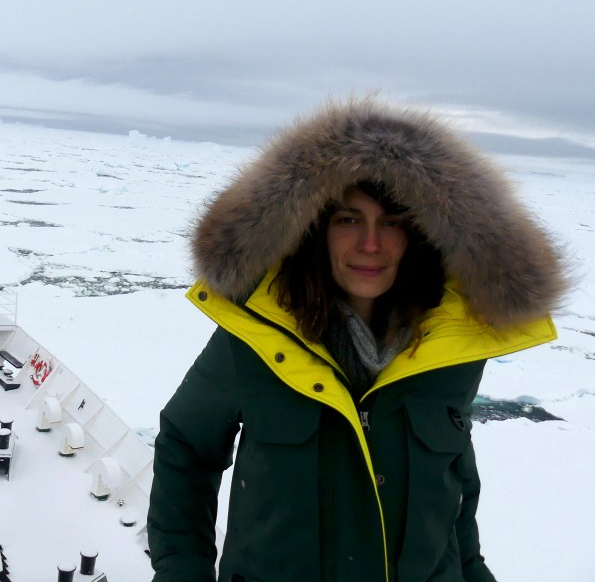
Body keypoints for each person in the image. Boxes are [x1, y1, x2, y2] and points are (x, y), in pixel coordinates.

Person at [147, 98, 567, 582]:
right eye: (349, 219)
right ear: (315, 231)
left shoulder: (452, 348)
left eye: (391, 223)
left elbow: (454, 487)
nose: (370, 244)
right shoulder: (254, 341)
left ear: (420, 239)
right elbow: (186, 447)